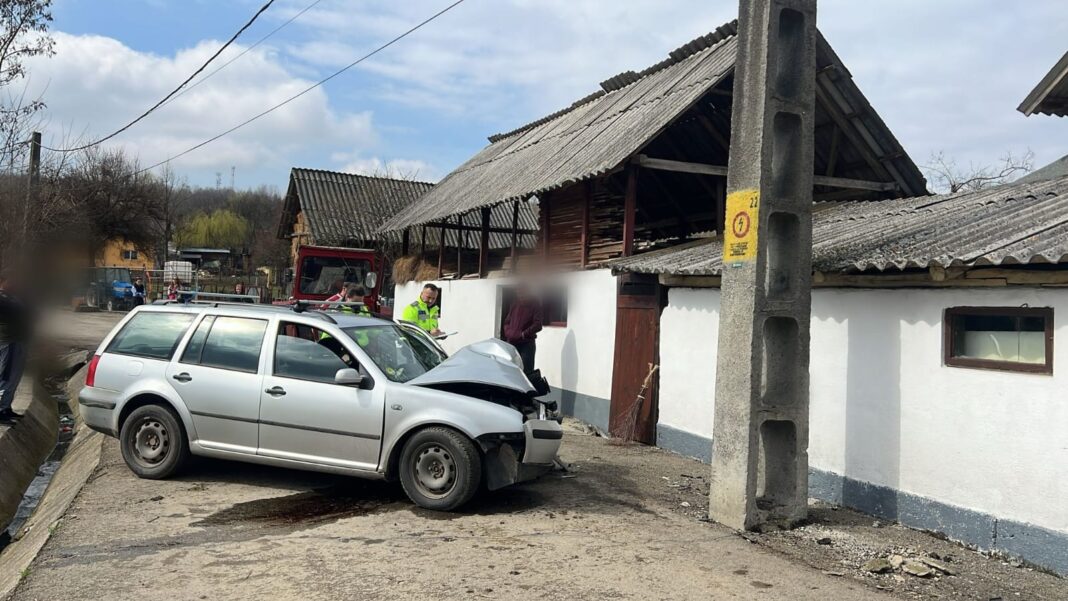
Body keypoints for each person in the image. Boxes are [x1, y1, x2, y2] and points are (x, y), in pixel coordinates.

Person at [0, 271, 30, 426]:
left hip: (19, 341)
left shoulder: (12, 296)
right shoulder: (2, 298)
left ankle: (6, 407)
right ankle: (1, 410)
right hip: (9, 343)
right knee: (7, 376)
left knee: (15, 377)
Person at [502, 285, 542, 374]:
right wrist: (509, 333)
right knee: (511, 369)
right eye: (519, 294)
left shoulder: (535, 304)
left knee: (527, 372)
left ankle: (526, 388)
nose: (521, 296)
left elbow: (538, 324)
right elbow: (507, 322)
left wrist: (524, 334)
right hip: (512, 343)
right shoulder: (514, 304)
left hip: (526, 344)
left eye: (523, 294)